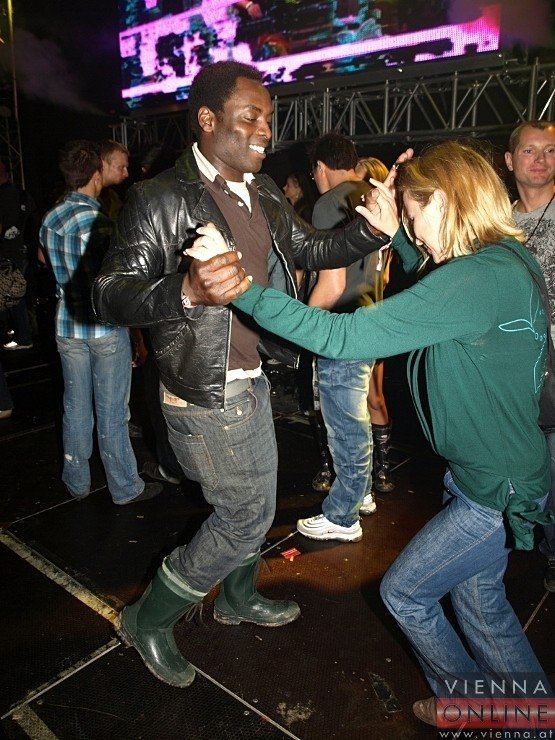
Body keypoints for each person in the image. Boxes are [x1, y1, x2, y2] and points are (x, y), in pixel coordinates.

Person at [227, 140, 554, 726]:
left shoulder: (475, 279)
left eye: (415, 215)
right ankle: (522, 715)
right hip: (493, 473)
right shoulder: (504, 259)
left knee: (405, 594)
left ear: (447, 202)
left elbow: (341, 336)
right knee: (484, 609)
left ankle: (473, 708)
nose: (417, 235)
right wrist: (396, 232)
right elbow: (434, 277)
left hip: (492, 489)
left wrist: (243, 291)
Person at [92, 61, 388, 689]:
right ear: (207, 119)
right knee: (244, 516)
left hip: (251, 375)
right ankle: (147, 619)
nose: (265, 131)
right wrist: (187, 291)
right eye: (250, 117)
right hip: (204, 388)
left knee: (258, 502)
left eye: (268, 119)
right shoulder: (160, 197)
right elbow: (109, 294)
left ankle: (236, 597)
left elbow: (310, 248)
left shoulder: (261, 191)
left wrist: (371, 230)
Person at [40, 140, 162, 505]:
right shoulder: (99, 224)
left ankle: (76, 482)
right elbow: (116, 286)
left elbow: (43, 260)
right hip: (103, 328)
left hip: (67, 325)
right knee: (112, 413)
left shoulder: (52, 216)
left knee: (75, 407)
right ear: (96, 173)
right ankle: (124, 488)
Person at [294, 132, 380, 543]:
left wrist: (301, 327)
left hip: (340, 327)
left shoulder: (330, 203)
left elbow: (332, 283)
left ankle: (343, 516)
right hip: (370, 319)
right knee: (356, 418)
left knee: (343, 425)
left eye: (313, 173)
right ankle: (363, 493)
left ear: (320, 167)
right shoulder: (370, 194)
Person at [505, 120, 555, 593]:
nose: (540, 159)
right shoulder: (497, 222)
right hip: (515, 368)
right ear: (510, 160)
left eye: (550, 150)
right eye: (529, 150)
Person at [355, 156, 395, 495]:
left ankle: (381, 467)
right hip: (352, 317)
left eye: (362, 184)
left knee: (373, 398)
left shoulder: (386, 232)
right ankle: (364, 470)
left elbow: (384, 278)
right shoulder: (351, 224)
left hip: (372, 318)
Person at [0, 160, 33, 351]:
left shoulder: (5, 196)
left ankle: (23, 336)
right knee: (16, 293)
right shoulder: (21, 194)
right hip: (22, 249)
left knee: (12, 294)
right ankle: (21, 332)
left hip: (8, 252)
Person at [99, 140, 130, 222]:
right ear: (102, 165)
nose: (126, 174)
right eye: (121, 168)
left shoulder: (114, 197)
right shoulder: (87, 198)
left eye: (126, 168)